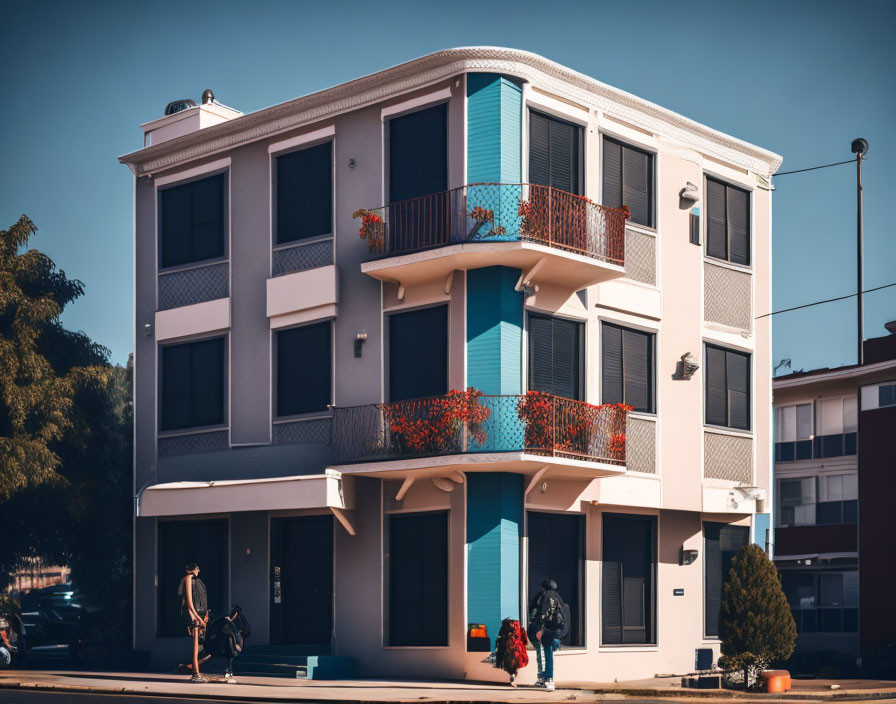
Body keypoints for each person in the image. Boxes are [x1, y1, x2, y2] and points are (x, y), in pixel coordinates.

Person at [528, 579, 566, 691]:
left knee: (544, 654)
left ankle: (548, 679)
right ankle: (542, 678)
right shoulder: (559, 598)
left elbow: (543, 613)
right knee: (547, 651)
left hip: (545, 629)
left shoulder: (544, 596)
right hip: (556, 630)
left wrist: (541, 630)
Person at [178, 563, 209, 683]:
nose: (197, 572)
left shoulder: (195, 581)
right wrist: (199, 619)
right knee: (196, 645)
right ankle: (195, 674)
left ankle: (195, 671)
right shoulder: (188, 579)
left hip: (196, 615)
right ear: (191, 570)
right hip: (193, 615)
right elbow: (190, 604)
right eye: (196, 570)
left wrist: (203, 617)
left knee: (197, 645)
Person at [493, 618, 528, 686]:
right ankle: (514, 677)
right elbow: (524, 640)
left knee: (509, 665)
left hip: (507, 649)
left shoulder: (505, 627)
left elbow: (500, 637)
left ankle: (512, 676)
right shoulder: (518, 626)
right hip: (517, 649)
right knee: (517, 665)